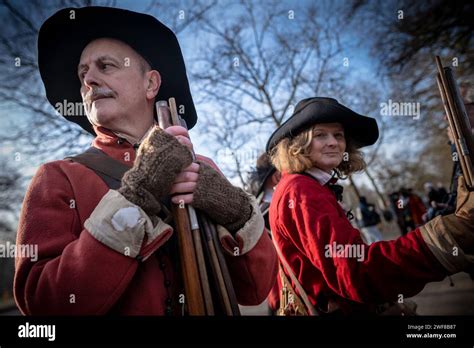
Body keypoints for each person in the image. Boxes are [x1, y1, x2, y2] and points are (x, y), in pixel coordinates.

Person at [13, 6, 277, 315]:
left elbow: (255, 288)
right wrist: (137, 194)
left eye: (105, 66)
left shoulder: (201, 167)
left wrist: (235, 210)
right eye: (82, 74)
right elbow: (43, 303)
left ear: (151, 84)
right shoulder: (58, 177)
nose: (89, 80)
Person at [266, 97, 474, 315]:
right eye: (320, 135)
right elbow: (356, 273)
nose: (333, 142)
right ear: (299, 145)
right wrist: (442, 238)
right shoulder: (300, 190)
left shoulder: (305, 185)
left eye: (338, 135)